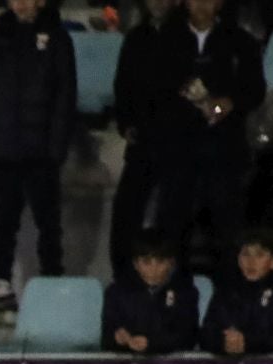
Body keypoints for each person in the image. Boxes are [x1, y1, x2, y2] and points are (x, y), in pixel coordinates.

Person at [0, 0, 75, 309]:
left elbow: (65, 95)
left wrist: (56, 148)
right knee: (5, 221)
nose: (23, 4)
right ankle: (2, 281)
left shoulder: (57, 39)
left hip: (42, 151)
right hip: (6, 149)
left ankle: (52, 282)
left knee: (48, 223)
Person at [149, 0, 263, 273]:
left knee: (227, 227)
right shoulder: (166, 40)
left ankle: (230, 295)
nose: (202, 5)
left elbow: (255, 89)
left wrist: (230, 102)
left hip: (223, 149)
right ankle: (171, 295)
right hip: (178, 148)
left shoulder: (240, 42)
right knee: (173, 225)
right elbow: (152, 88)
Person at [107, 0, 176, 282]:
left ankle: (171, 278)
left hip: (177, 141)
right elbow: (123, 84)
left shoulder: (183, 37)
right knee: (126, 211)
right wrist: (126, 124)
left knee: (172, 214)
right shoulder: (137, 37)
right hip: (143, 140)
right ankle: (124, 276)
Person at [199, 227, 273, 355]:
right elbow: (206, 334)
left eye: (259, 255)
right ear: (238, 259)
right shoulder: (225, 292)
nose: (251, 262)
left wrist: (248, 342)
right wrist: (223, 342)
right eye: (245, 254)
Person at [102, 233, 199, 354]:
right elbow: (107, 334)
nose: (154, 269)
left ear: (171, 263)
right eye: (146, 262)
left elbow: (188, 337)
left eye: (161, 261)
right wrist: (117, 338)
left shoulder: (186, 293)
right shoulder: (115, 292)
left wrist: (152, 343)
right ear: (135, 264)